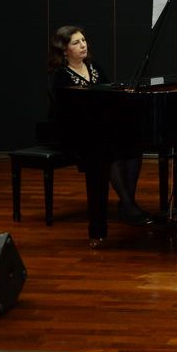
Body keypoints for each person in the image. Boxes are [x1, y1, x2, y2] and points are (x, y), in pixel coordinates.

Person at [47, 25, 153, 227]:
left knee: (133, 147)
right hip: (69, 130)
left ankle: (127, 203)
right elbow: (67, 109)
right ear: (64, 50)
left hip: (97, 126)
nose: (83, 45)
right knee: (108, 149)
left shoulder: (93, 66)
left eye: (83, 40)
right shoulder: (59, 75)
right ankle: (129, 207)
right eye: (76, 43)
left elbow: (109, 94)